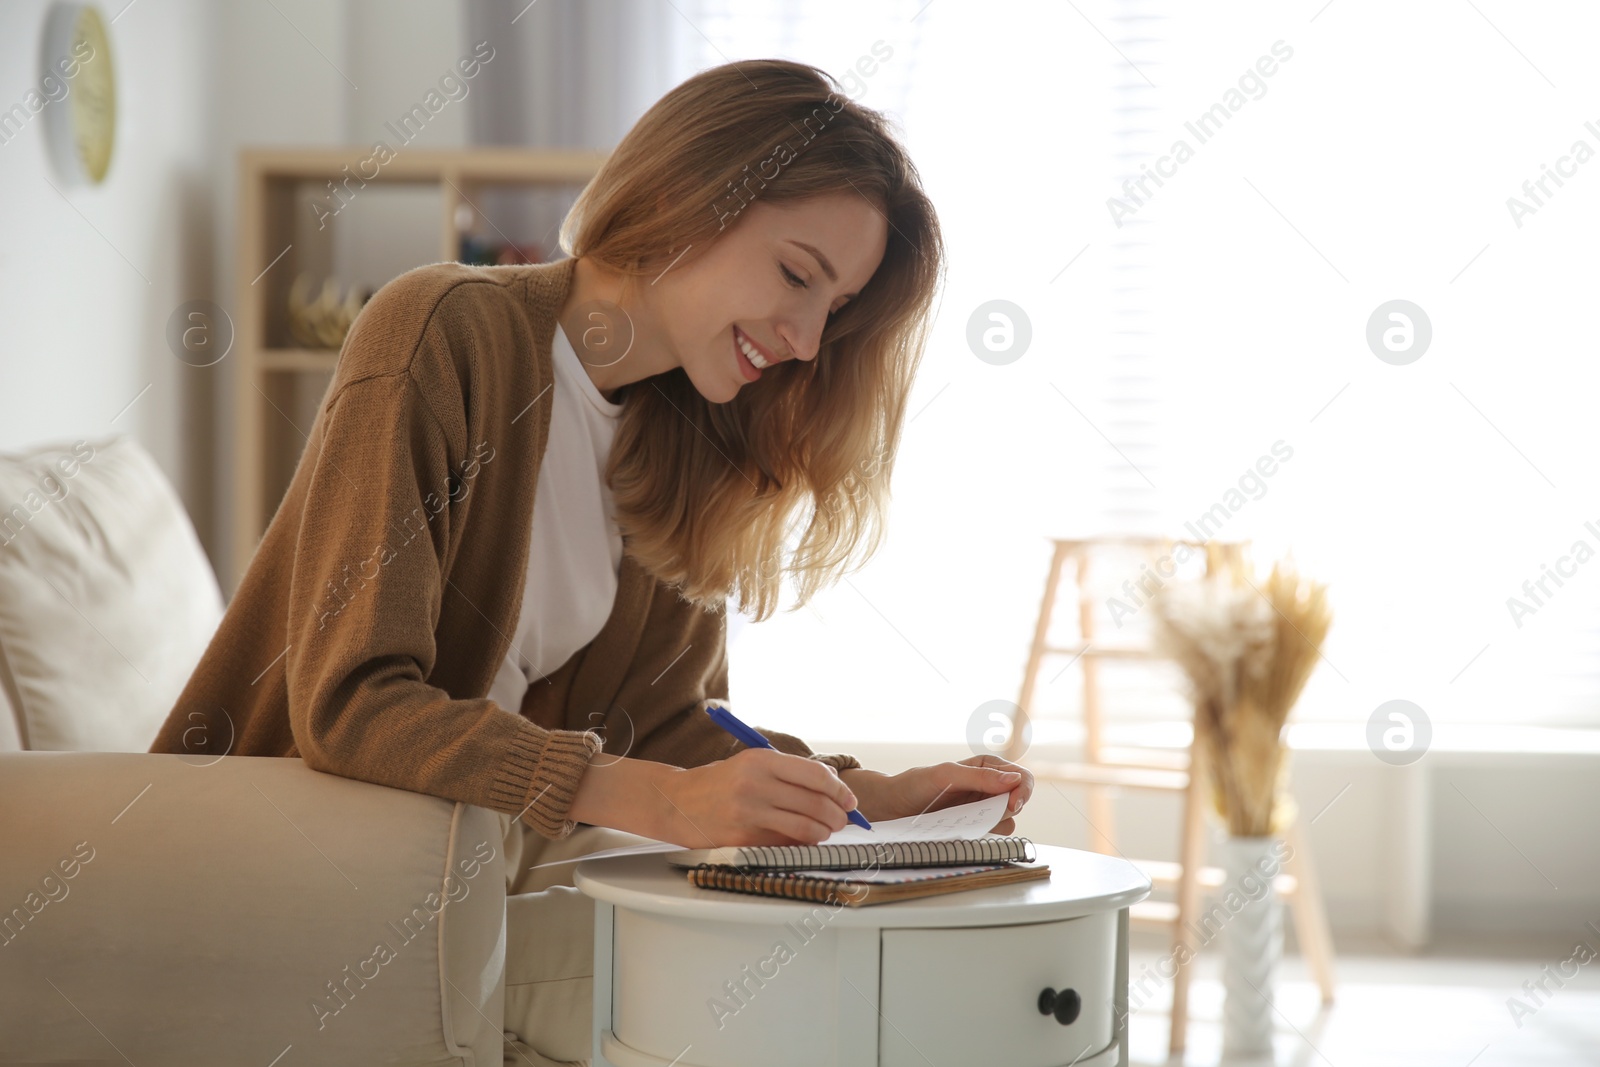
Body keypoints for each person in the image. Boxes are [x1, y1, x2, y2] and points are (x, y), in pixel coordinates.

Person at [151, 58, 1033, 1065]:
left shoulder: (680, 437)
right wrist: (658, 800)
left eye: (832, 312)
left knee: (825, 961)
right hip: (314, 882)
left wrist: (870, 793)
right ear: (684, 194)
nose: (801, 341)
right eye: (795, 275)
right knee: (783, 985)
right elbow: (352, 701)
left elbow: (669, 725)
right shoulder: (447, 330)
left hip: (478, 871)